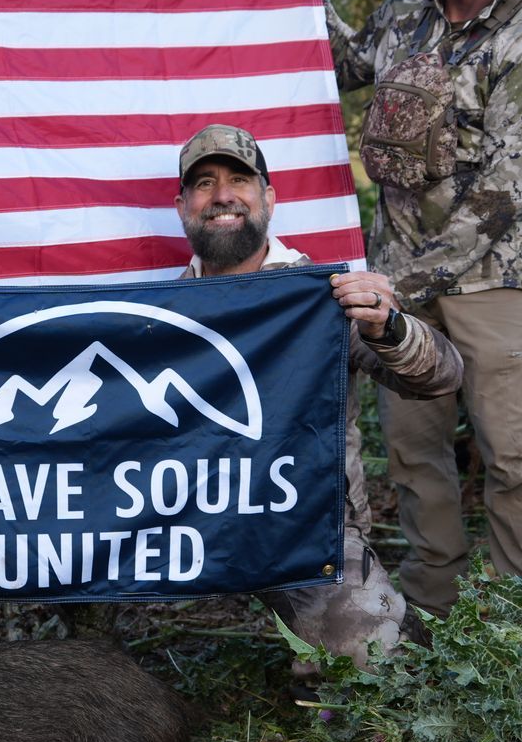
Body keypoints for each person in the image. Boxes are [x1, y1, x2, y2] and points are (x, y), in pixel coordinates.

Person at [321, 0, 522, 613]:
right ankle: (433, 612)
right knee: (413, 452)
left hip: (493, 280)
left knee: (513, 456)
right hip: (397, 283)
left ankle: (518, 634)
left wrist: (400, 284)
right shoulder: (404, 13)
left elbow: (504, 189)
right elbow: (338, 62)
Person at [173, 124, 464, 662]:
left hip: (303, 529)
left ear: (269, 198)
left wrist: (390, 327)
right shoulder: (155, 310)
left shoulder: (324, 299)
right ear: (183, 205)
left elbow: (441, 375)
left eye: (240, 179)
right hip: (180, 529)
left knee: (369, 659)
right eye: (205, 184)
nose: (222, 196)